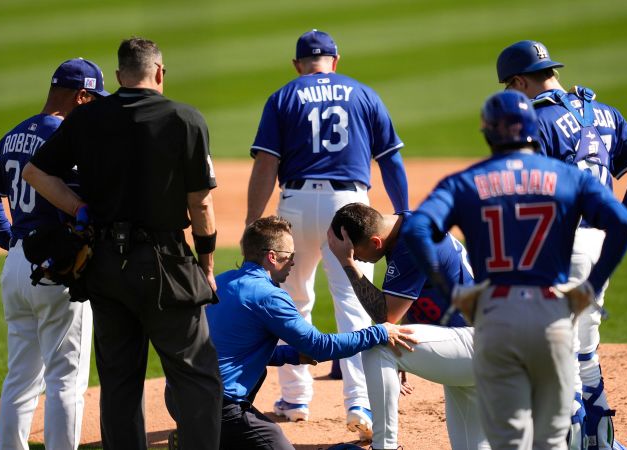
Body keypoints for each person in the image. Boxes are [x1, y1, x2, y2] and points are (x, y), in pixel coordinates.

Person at [400, 90, 627, 450]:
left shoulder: (465, 182)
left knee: (508, 441)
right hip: (552, 315)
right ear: (532, 129)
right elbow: (622, 223)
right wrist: (589, 287)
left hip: (495, 317)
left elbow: (417, 229)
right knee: (554, 440)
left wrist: (453, 293)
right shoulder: (568, 177)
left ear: (488, 133)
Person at [21, 37, 222, 450]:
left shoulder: (88, 117)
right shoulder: (185, 119)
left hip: (105, 265)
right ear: (160, 72)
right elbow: (201, 203)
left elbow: (36, 174)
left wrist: (80, 209)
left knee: (118, 380)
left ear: (118, 76)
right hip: (166, 264)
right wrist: (206, 265)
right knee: (195, 376)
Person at [496, 40, 627, 450]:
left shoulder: (534, 122)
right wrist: (615, 225)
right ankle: (602, 442)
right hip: (599, 245)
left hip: (561, 247)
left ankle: (567, 443)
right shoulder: (604, 112)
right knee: (584, 346)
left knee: (556, 352)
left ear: (519, 81)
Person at [246, 28, 409, 440]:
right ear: (335, 62)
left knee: (292, 297)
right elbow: (391, 160)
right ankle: (361, 403)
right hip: (350, 207)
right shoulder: (362, 93)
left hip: (298, 202)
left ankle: (296, 400)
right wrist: (402, 213)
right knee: (354, 302)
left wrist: (253, 221)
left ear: (297, 64)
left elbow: (266, 164)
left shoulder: (284, 95)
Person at [0, 57, 106, 450]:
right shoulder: (70, 139)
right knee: (66, 378)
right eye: (94, 99)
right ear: (81, 96)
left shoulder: (15, 134)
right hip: (57, 269)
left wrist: (10, 239)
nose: (96, 106)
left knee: (20, 376)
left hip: (17, 265)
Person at [207, 216, 418, 449]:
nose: (293, 263)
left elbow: (235, 351)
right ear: (272, 257)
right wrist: (378, 332)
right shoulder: (269, 296)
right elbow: (318, 346)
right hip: (221, 408)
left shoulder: (221, 282)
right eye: (290, 256)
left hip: (184, 399)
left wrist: (291, 355)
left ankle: (202, 437)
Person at [327, 202, 489, 450]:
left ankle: (384, 446)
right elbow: (418, 294)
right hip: (476, 344)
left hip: (476, 343)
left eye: (358, 254)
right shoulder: (408, 226)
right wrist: (408, 350)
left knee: (378, 343)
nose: (361, 260)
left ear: (375, 242)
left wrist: (348, 263)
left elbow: (385, 316)